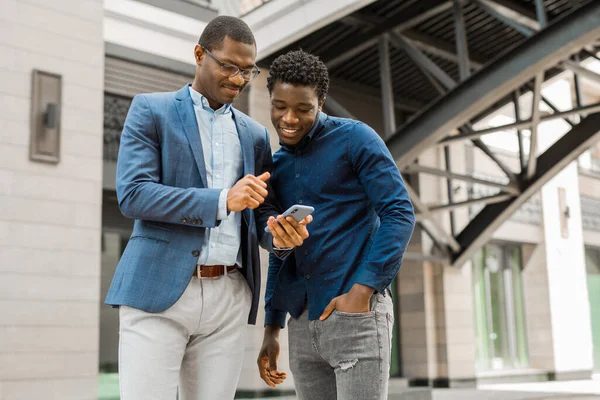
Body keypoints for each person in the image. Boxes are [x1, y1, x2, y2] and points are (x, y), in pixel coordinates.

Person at [105, 16, 309, 400]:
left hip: (229, 296)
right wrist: (221, 200)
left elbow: (259, 214)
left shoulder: (254, 135)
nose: (238, 79)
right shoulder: (151, 110)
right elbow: (134, 194)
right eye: (229, 66)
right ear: (199, 54)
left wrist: (279, 234)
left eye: (247, 71)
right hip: (157, 291)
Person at [257, 49, 416, 400]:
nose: (289, 118)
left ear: (321, 101)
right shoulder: (276, 165)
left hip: (355, 317)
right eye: (280, 106)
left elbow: (400, 213)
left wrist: (362, 293)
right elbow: (283, 252)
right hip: (301, 324)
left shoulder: (356, 139)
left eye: (303, 109)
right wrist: (272, 325)